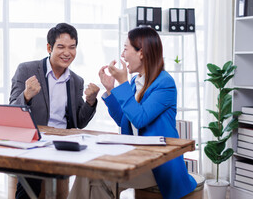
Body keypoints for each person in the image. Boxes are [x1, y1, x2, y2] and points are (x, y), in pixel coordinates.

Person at [69, 27, 196, 199]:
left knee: (99, 178)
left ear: (141, 53)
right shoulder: (136, 81)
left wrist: (122, 84)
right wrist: (110, 89)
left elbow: (139, 119)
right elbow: (125, 119)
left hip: (157, 165)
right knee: (87, 171)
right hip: (135, 157)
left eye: (126, 48)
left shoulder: (164, 83)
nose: (122, 55)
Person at [9, 22, 100, 199]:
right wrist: (26, 95)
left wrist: (90, 102)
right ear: (49, 48)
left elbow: (78, 122)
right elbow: (12, 112)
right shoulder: (26, 70)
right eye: (61, 47)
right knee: (30, 182)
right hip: (33, 143)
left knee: (91, 171)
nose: (67, 53)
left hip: (62, 144)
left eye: (72, 47)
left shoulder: (76, 81)